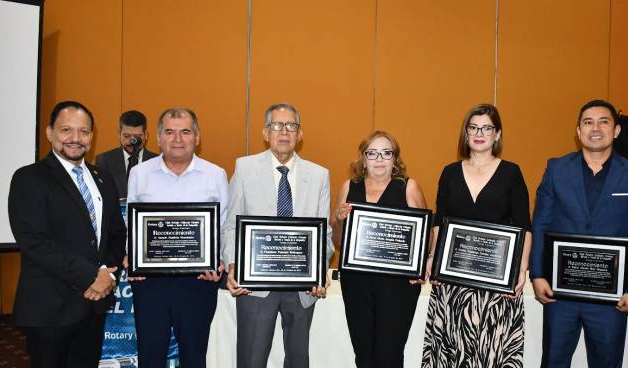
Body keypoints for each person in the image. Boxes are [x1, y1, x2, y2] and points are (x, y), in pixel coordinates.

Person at [529, 99, 628, 368]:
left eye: (604, 121)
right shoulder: (557, 169)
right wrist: (538, 274)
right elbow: (540, 223)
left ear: (616, 130)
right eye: (588, 122)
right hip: (559, 294)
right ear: (578, 131)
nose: (595, 128)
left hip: (610, 300)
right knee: (553, 360)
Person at [8, 101, 126, 368]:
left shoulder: (103, 178)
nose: (76, 138)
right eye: (66, 130)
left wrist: (106, 271)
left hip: (93, 307)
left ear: (92, 136)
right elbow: (34, 242)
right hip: (50, 309)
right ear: (50, 133)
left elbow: (117, 234)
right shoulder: (29, 178)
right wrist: (90, 276)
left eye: (83, 131)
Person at [422, 103, 532, 367]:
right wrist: (432, 258)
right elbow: (440, 221)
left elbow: (524, 225)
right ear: (466, 133)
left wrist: (522, 269)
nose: (479, 132)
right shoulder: (450, 172)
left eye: (487, 127)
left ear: (497, 134)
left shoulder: (511, 172)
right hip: (453, 283)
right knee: (452, 352)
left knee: (491, 352)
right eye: (473, 127)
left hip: (495, 286)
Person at [223, 102, 332, 368]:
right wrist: (233, 265)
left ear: (300, 134)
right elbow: (231, 225)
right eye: (277, 125)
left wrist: (320, 270)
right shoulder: (245, 168)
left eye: (291, 126)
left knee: (298, 360)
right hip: (255, 286)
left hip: (302, 288)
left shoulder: (318, 175)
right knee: (251, 360)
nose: (284, 131)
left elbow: (324, 232)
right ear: (265, 132)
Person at [126, 107, 227, 368]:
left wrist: (219, 262)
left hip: (199, 281)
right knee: (150, 355)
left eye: (185, 132)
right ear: (158, 138)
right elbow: (132, 226)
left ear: (197, 137)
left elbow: (224, 225)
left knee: (194, 356)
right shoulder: (139, 174)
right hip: (150, 282)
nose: (178, 139)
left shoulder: (216, 175)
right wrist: (132, 258)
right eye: (169, 132)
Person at [332, 131, 428, 368]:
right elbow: (336, 241)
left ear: (395, 158)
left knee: (389, 355)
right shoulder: (349, 186)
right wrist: (339, 219)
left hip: (397, 286)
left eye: (386, 153)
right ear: (363, 158)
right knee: (363, 355)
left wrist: (422, 265)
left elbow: (425, 236)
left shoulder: (408, 187)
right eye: (372, 153)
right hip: (356, 282)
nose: (379, 159)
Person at [96, 110, 158, 198]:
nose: (132, 141)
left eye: (137, 137)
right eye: (127, 136)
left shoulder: (157, 161)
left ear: (146, 135)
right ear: (119, 134)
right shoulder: (104, 160)